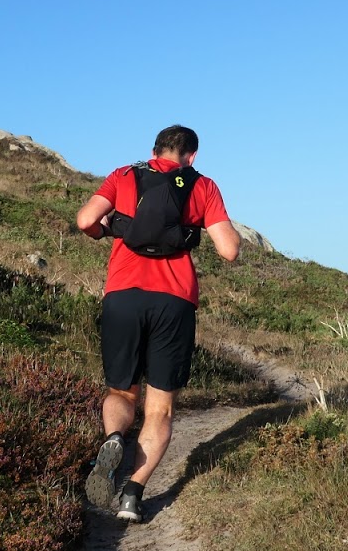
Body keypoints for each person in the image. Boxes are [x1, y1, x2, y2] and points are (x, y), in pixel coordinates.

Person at [74, 124, 241, 522]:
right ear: (192, 156)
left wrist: (105, 231)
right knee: (160, 407)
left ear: (154, 150)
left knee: (122, 391)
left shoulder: (124, 175)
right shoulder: (203, 186)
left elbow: (85, 220)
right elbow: (229, 250)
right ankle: (132, 494)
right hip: (174, 300)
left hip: (123, 295)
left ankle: (115, 437)